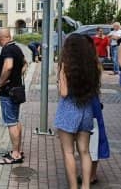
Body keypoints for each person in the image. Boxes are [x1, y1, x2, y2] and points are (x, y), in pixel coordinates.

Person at [54, 33, 100, 189]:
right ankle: (86, 186)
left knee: (68, 152)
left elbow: (64, 92)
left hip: (68, 110)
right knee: (85, 151)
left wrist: (59, 77)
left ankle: (74, 187)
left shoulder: (65, 65)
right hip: (86, 110)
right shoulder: (92, 65)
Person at [0, 28, 26, 164]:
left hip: (8, 91)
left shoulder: (7, 50)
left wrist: (0, 83)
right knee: (16, 120)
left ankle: (15, 155)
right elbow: (25, 63)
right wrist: (17, 75)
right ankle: (17, 150)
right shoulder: (17, 48)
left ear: (3, 37)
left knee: (11, 122)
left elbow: (8, 66)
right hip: (17, 89)